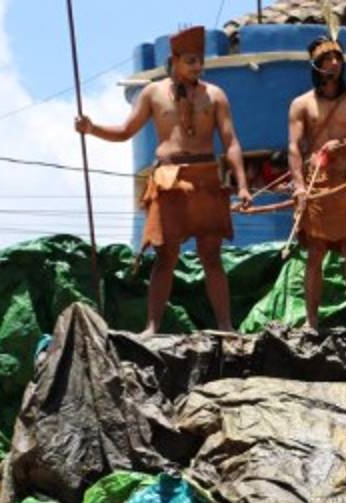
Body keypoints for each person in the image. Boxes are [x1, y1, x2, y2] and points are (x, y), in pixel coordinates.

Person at [75, 26, 251, 333]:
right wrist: (92, 129)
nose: (197, 66)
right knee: (165, 257)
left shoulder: (215, 95)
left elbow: (231, 141)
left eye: (200, 61)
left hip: (206, 179)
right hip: (168, 179)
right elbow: (125, 131)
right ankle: (153, 326)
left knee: (211, 256)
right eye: (191, 61)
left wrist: (243, 185)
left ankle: (225, 325)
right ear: (175, 60)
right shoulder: (153, 93)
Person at [288, 35, 346, 329]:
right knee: (315, 254)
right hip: (316, 185)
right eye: (327, 59)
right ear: (316, 65)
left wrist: (342, 146)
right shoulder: (301, 104)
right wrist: (299, 187)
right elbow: (293, 148)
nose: (334, 63)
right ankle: (311, 322)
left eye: (338, 58)